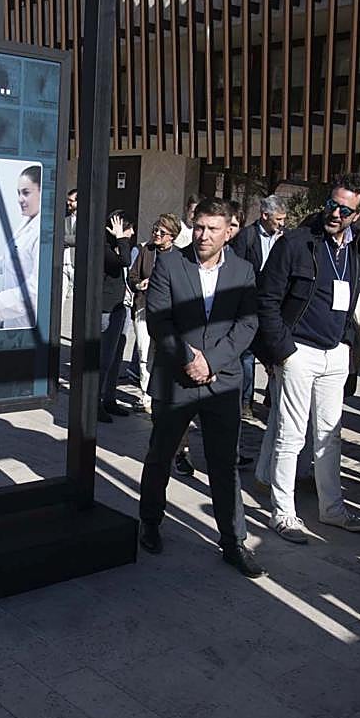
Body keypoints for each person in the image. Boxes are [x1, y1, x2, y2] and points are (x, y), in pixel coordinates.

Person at [137, 199, 264, 577]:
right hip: (176, 378)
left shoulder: (242, 271)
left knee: (224, 465)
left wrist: (213, 361)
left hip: (221, 384)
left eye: (213, 228)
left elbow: (247, 324)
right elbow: (160, 320)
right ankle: (150, 522)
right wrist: (189, 360)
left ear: (230, 231)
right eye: (199, 227)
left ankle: (233, 541)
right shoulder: (171, 264)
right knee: (160, 455)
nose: (204, 235)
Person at [255, 173, 360, 543]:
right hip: (299, 351)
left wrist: (346, 345)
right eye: (331, 204)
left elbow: (350, 298)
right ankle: (283, 513)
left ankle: (332, 509)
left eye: (344, 209)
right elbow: (267, 299)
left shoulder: (356, 248)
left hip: (335, 353)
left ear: (358, 213)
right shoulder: (296, 243)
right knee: (290, 436)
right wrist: (284, 351)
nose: (335, 213)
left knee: (330, 436)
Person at [231, 194, 287, 421]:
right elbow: (237, 269)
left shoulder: (285, 239)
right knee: (247, 354)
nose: (282, 223)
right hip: (250, 303)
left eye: (284, 219)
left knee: (275, 352)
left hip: (274, 306)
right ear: (265, 216)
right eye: (278, 219)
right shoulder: (248, 236)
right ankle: (245, 402)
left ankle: (272, 398)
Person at [0, 165, 43, 328]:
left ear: (43, 192)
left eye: (26, 193)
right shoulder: (28, 221)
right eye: (18, 193)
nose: (20, 199)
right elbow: (20, 256)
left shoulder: (42, 232)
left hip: (26, 322)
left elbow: (35, 291)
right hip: (14, 318)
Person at [128, 213, 179, 413]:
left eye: (162, 232)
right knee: (144, 351)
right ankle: (146, 396)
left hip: (167, 312)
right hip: (144, 307)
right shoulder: (146, 251)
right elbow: (132, 275)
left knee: (162, 352)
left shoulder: (178, 256)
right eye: (155, 230)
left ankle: (161, 392)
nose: (156, 234)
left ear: (172, 236)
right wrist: (139, 284)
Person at [98, 210, 136, 422]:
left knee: (116, 358)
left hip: (121, 307)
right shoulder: (104, 248)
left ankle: (109, 399)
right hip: (106, 309)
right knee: (104, 359)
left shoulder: (119, 246)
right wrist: (121, 238)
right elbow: (123, 261)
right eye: (127, 228)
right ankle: (94, 403)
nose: (131, 233)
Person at [63, 187, 77, 298]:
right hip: (63, 264)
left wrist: (64, 239)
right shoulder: (64, 219)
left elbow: (80, 239)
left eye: (71, 201)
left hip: (75, 265)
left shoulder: (85, 220)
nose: (68, 203)